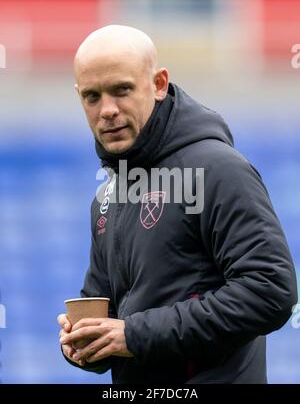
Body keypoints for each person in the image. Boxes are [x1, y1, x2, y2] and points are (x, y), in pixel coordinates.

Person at [57, 25, 297, 384]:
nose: (107, 110)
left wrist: (134, 335)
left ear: (158, 84)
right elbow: (108, 314)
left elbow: (270, 290)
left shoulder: (218, 169)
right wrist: (84, 342)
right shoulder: (108, 194)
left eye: (122, 90)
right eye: (92, 96)